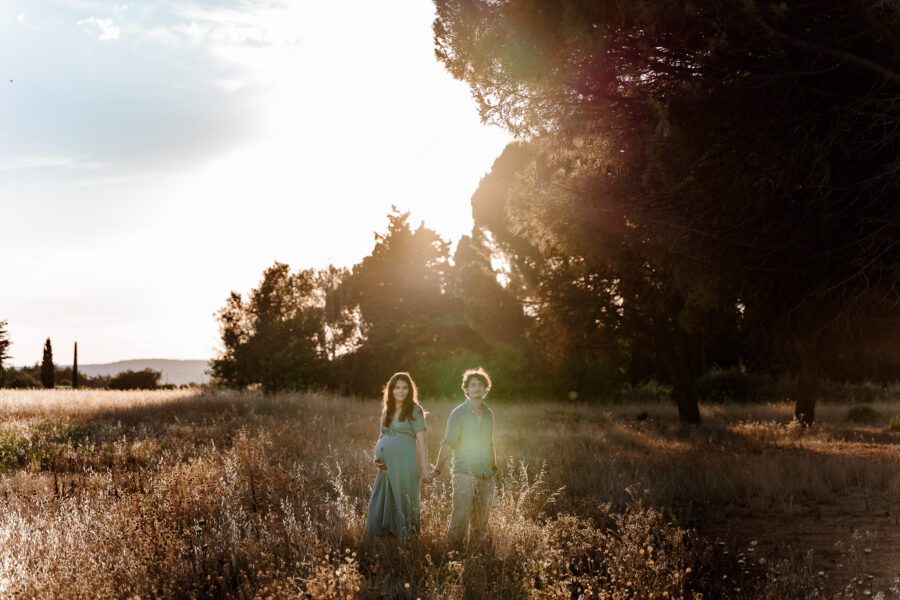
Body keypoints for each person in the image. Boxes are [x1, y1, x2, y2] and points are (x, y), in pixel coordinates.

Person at [430, 368, 497, 548]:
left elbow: (490, 442)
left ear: (486, 389)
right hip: (464, 473)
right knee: (460, 519)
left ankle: (475, 556)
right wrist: (437, 469)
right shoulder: (458, 413)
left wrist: (494, 468)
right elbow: (448, 442)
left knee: (481, 523)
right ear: (466, 389)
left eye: (480, 385)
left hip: (486, 474)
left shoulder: (489, 413)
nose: (477, 388)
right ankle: (452, 556)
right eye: (472, 385)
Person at [365, 372, 432, 538]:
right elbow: (382, 435)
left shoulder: (415, 410)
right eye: (397, 388)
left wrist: (424, 468)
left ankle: (408, 537)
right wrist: (376, 457)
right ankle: (384, 535)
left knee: (404, 498)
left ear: (410, 390)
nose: (401, 391)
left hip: (405, 461)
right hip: (385, 465)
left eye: (404, 388)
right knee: (381, 497)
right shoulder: (388, 410)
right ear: (391, 390)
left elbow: (422, 440)